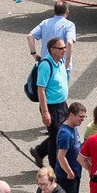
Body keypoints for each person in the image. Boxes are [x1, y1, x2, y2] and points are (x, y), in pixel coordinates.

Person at [32, 37, 71, 167]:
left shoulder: (60, 62)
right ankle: (55, 169)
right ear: (51, 49)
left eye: (64, 47)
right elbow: (41, 89)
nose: (64, 50)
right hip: (51, 107)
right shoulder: (46, 65)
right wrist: (45, 112)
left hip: (62, 105)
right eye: (60, 48)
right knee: (57, 139)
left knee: (61, 134)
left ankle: (39, 151)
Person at [52, 103, 86, 193]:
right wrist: (70, 173)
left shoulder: (74, 127)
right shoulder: (65, 133)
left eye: (84, 117)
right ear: (71, 115)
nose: (83, 119)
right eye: (80, 116)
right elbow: (61, 156)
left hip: (75, 173)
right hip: (66, 177)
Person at [29, 1, 78, 72]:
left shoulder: (45, 22)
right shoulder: (69, 25)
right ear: (67, 12)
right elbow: (69, 43)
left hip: (45, 64)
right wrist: (67, 63)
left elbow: (30, 36)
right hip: (61, 66)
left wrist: (34, 54)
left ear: (54, 11)